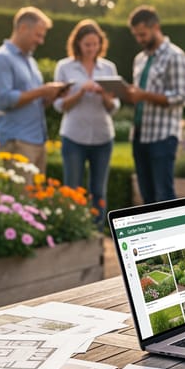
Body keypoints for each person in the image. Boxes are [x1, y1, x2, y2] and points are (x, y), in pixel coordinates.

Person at [53, 19, 120, 224]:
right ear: (78, 44)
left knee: (98, 191)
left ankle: (96, 239)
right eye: (87, 44)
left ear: (101, 43)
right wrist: (81, 92)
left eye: (95, 44)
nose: (92, 48)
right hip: (74, 136)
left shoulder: (108, 68)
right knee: (72, 189)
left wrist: (105, 96)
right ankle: (72, 234)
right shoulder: (64, 67)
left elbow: (114, 107)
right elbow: (59, 105)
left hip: (102, 137)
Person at [0, 6, 67, 178]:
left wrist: (51, 97)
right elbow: (4, 100)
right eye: (38, 35)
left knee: (35, 201)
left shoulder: (30, 60)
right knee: (19, 200)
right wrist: (41, 91)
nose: (41, 41)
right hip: (17, 142)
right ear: (23, 28)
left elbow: (32, 102)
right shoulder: (2, 58)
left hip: (37, 141)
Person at [124, 5, 185, 204]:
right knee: (147, 197)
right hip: (139, 135)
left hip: (162, 136)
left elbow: (181, 97)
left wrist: (144, 95)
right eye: (136, 35)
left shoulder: (175, 56)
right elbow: (140, 95)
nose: (140, 39)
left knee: (165, 196)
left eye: (143, 34)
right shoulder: (140, 59)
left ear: (156, 27)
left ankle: (175, 236)